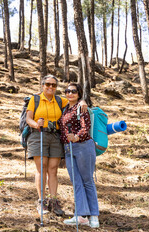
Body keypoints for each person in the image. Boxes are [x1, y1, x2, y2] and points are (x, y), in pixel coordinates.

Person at [25, 75, 86, 216]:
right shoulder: (35, 99)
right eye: (48, 84)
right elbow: (28, 118)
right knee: (42, 168)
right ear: (42, 85)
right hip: (38, 135)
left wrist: (82, 101)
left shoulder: (60, 100)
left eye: (53, 85)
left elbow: (74, 100)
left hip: (55, 136)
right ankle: (42, 201)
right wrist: (36, 124)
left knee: (53, 169)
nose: (50, 87)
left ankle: (53, 201)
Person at [59, 83, 100, 228]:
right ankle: (81, 215)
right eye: (67, 91)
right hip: (68, 149)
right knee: (76, 181)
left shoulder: (81, 108)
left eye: (73, 91)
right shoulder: (65, 108)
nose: (70, 93)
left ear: (79, 93)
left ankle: (94, 215)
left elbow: (85, 127)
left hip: (83, 146)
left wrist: (77, 137)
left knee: (87, 180)